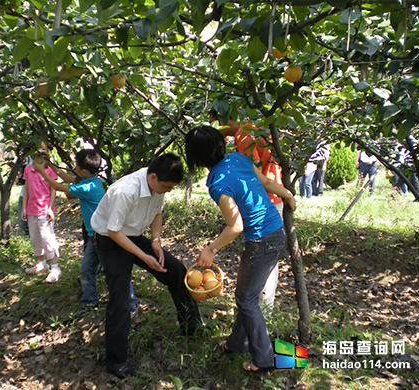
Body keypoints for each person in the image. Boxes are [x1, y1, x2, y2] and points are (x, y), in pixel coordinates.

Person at [185, 126, 296, 375]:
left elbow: (236, 225)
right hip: (276, 233)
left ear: (196, 157)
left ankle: (264, 359)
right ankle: (237, 344)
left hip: (261, 242)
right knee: (246, 295)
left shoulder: (217, 182)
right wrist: (287, 195)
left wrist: (211, 249)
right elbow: (266, 182)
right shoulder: (238, 158)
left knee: (246, 299)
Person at [91, 153, 204, 378]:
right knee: (120, 298)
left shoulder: (156, 185)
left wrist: (156, 241)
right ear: (153, 177)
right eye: (167, 187)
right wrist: (143, 256)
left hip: (134, 235)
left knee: (176, 270)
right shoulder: (124, 191)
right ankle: (116, 362)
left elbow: (157, 214)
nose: (168, 191)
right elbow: (114, 232)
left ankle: (192, 327)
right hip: (110, 241)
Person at [32, 149, 140, 315]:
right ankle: (90, 301)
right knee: (89, 270)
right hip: (95, 235)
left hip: (103, 237)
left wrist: (40, 171)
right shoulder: (91, 180)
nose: (73, 167)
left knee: (112, 270)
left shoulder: (87, 187)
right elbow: (66, 177)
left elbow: (57, 185)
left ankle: (131, 304)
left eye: (75, 165)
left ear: (83, 171)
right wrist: (50, 164)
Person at [208, 110, 283, 314]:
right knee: (268, 261)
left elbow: (254, 169)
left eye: (213, 123)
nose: (215, 130)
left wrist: (211, 249)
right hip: (273, 194)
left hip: (263, 201)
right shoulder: (254, 127)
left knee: (262, 262)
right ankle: (258, 310)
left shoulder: (243, 135)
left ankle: (262, 311)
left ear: (223, 120)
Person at [22, 141, 61, 283]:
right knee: (35, 238)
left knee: (47, 238)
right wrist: (24, 208)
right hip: (32, 209)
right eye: (38, 149)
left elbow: (53, 189)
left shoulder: (50, 170)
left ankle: (55, 267)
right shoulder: (28, 169)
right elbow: (26, 189)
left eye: (44, 149)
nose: (41, 152)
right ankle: (41, 264)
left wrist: (50, 208)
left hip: (44, 210)